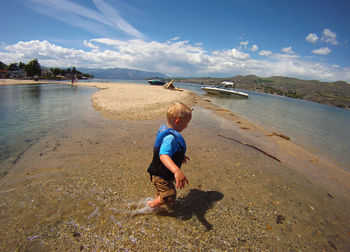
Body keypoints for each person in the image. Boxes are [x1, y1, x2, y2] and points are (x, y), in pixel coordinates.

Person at [147, 101, 192, 211]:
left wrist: (181, 156)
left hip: (161, 173)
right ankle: (150, 206)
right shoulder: (170, 138)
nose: (187, 126)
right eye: (186, 123)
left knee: (164, 192)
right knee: (170, 195)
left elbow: (170, 150)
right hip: (160, 175)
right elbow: (163, 155)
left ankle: (158, 201)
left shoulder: (168, 133)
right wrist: (176, 170)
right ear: (177, 121)